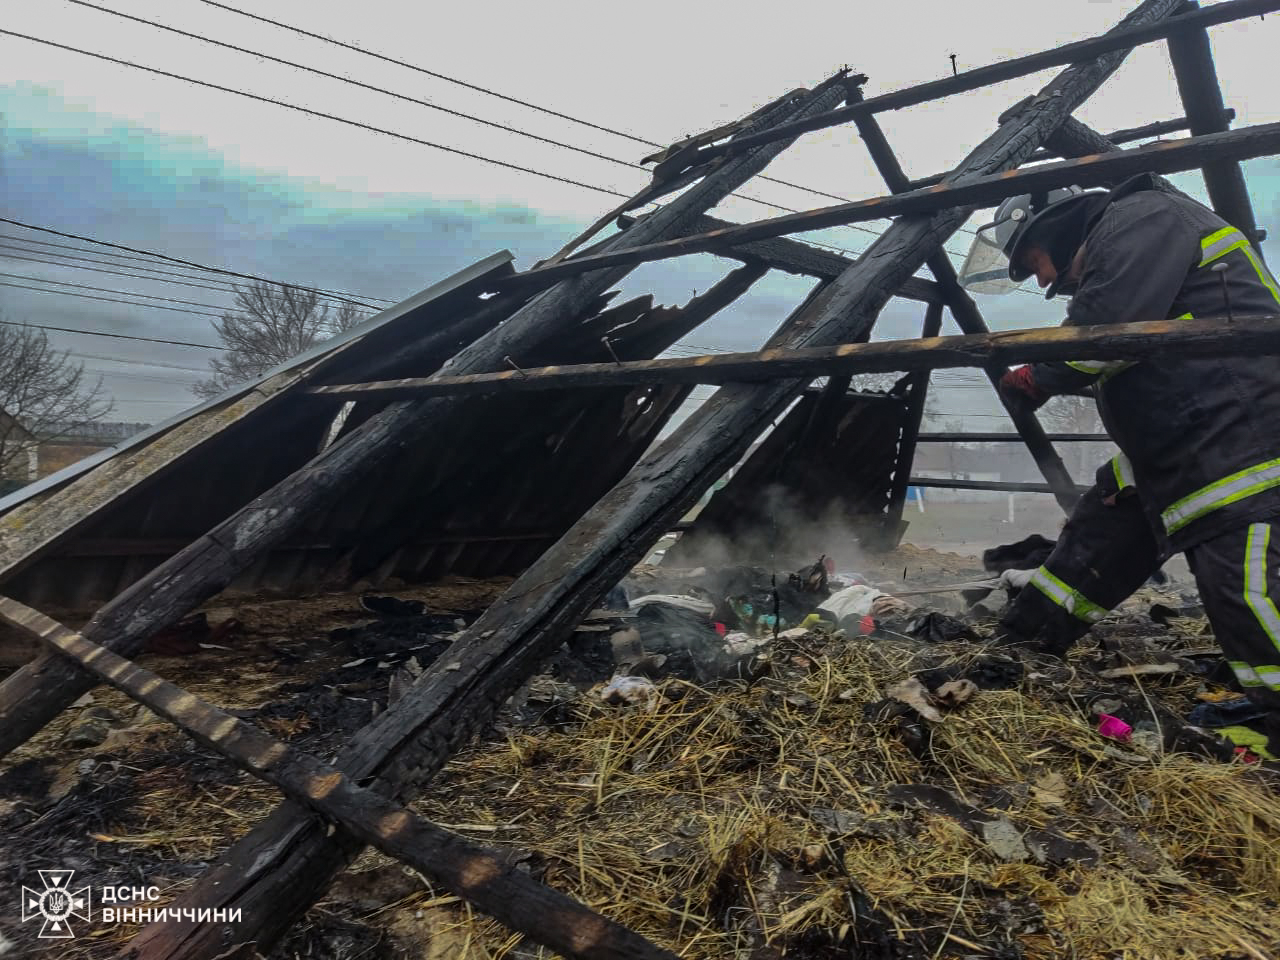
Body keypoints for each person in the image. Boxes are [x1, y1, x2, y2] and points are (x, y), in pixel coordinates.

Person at [985, 173, 1280, 748]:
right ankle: (1018, 645)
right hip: (1181, 444)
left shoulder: (1144, 216)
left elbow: (1106, 331)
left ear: (1057, 226)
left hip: (1244, 442)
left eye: (1036, 262)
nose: (1044, 281)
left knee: (1243, 593)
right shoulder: (1131, 238)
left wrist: (1039, 374)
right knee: (1101, 526)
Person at [996, 455, 1161, 657]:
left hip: (1144, 496)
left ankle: (1025, 641)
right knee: (1107, 575)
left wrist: (1116, 485)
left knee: (1099, 578)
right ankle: (1033, 642)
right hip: (1160, 499)